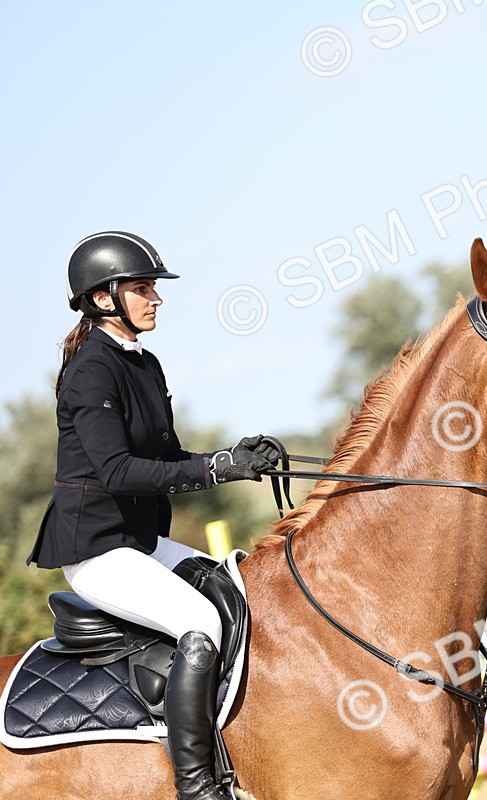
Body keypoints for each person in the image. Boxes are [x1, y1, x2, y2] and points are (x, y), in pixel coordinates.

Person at [26, 231, 277, 800]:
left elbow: (164, 459)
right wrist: (214, 470)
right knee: (201, 624)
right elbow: (116, 471)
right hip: (96, 548)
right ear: (104, 298)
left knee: (234, 587)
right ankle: (196, 786)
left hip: (138, 541)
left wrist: (234, 460)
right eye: (142, 288)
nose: (155, 298)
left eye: (153, 289)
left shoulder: (143, 362)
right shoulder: (91, 371)